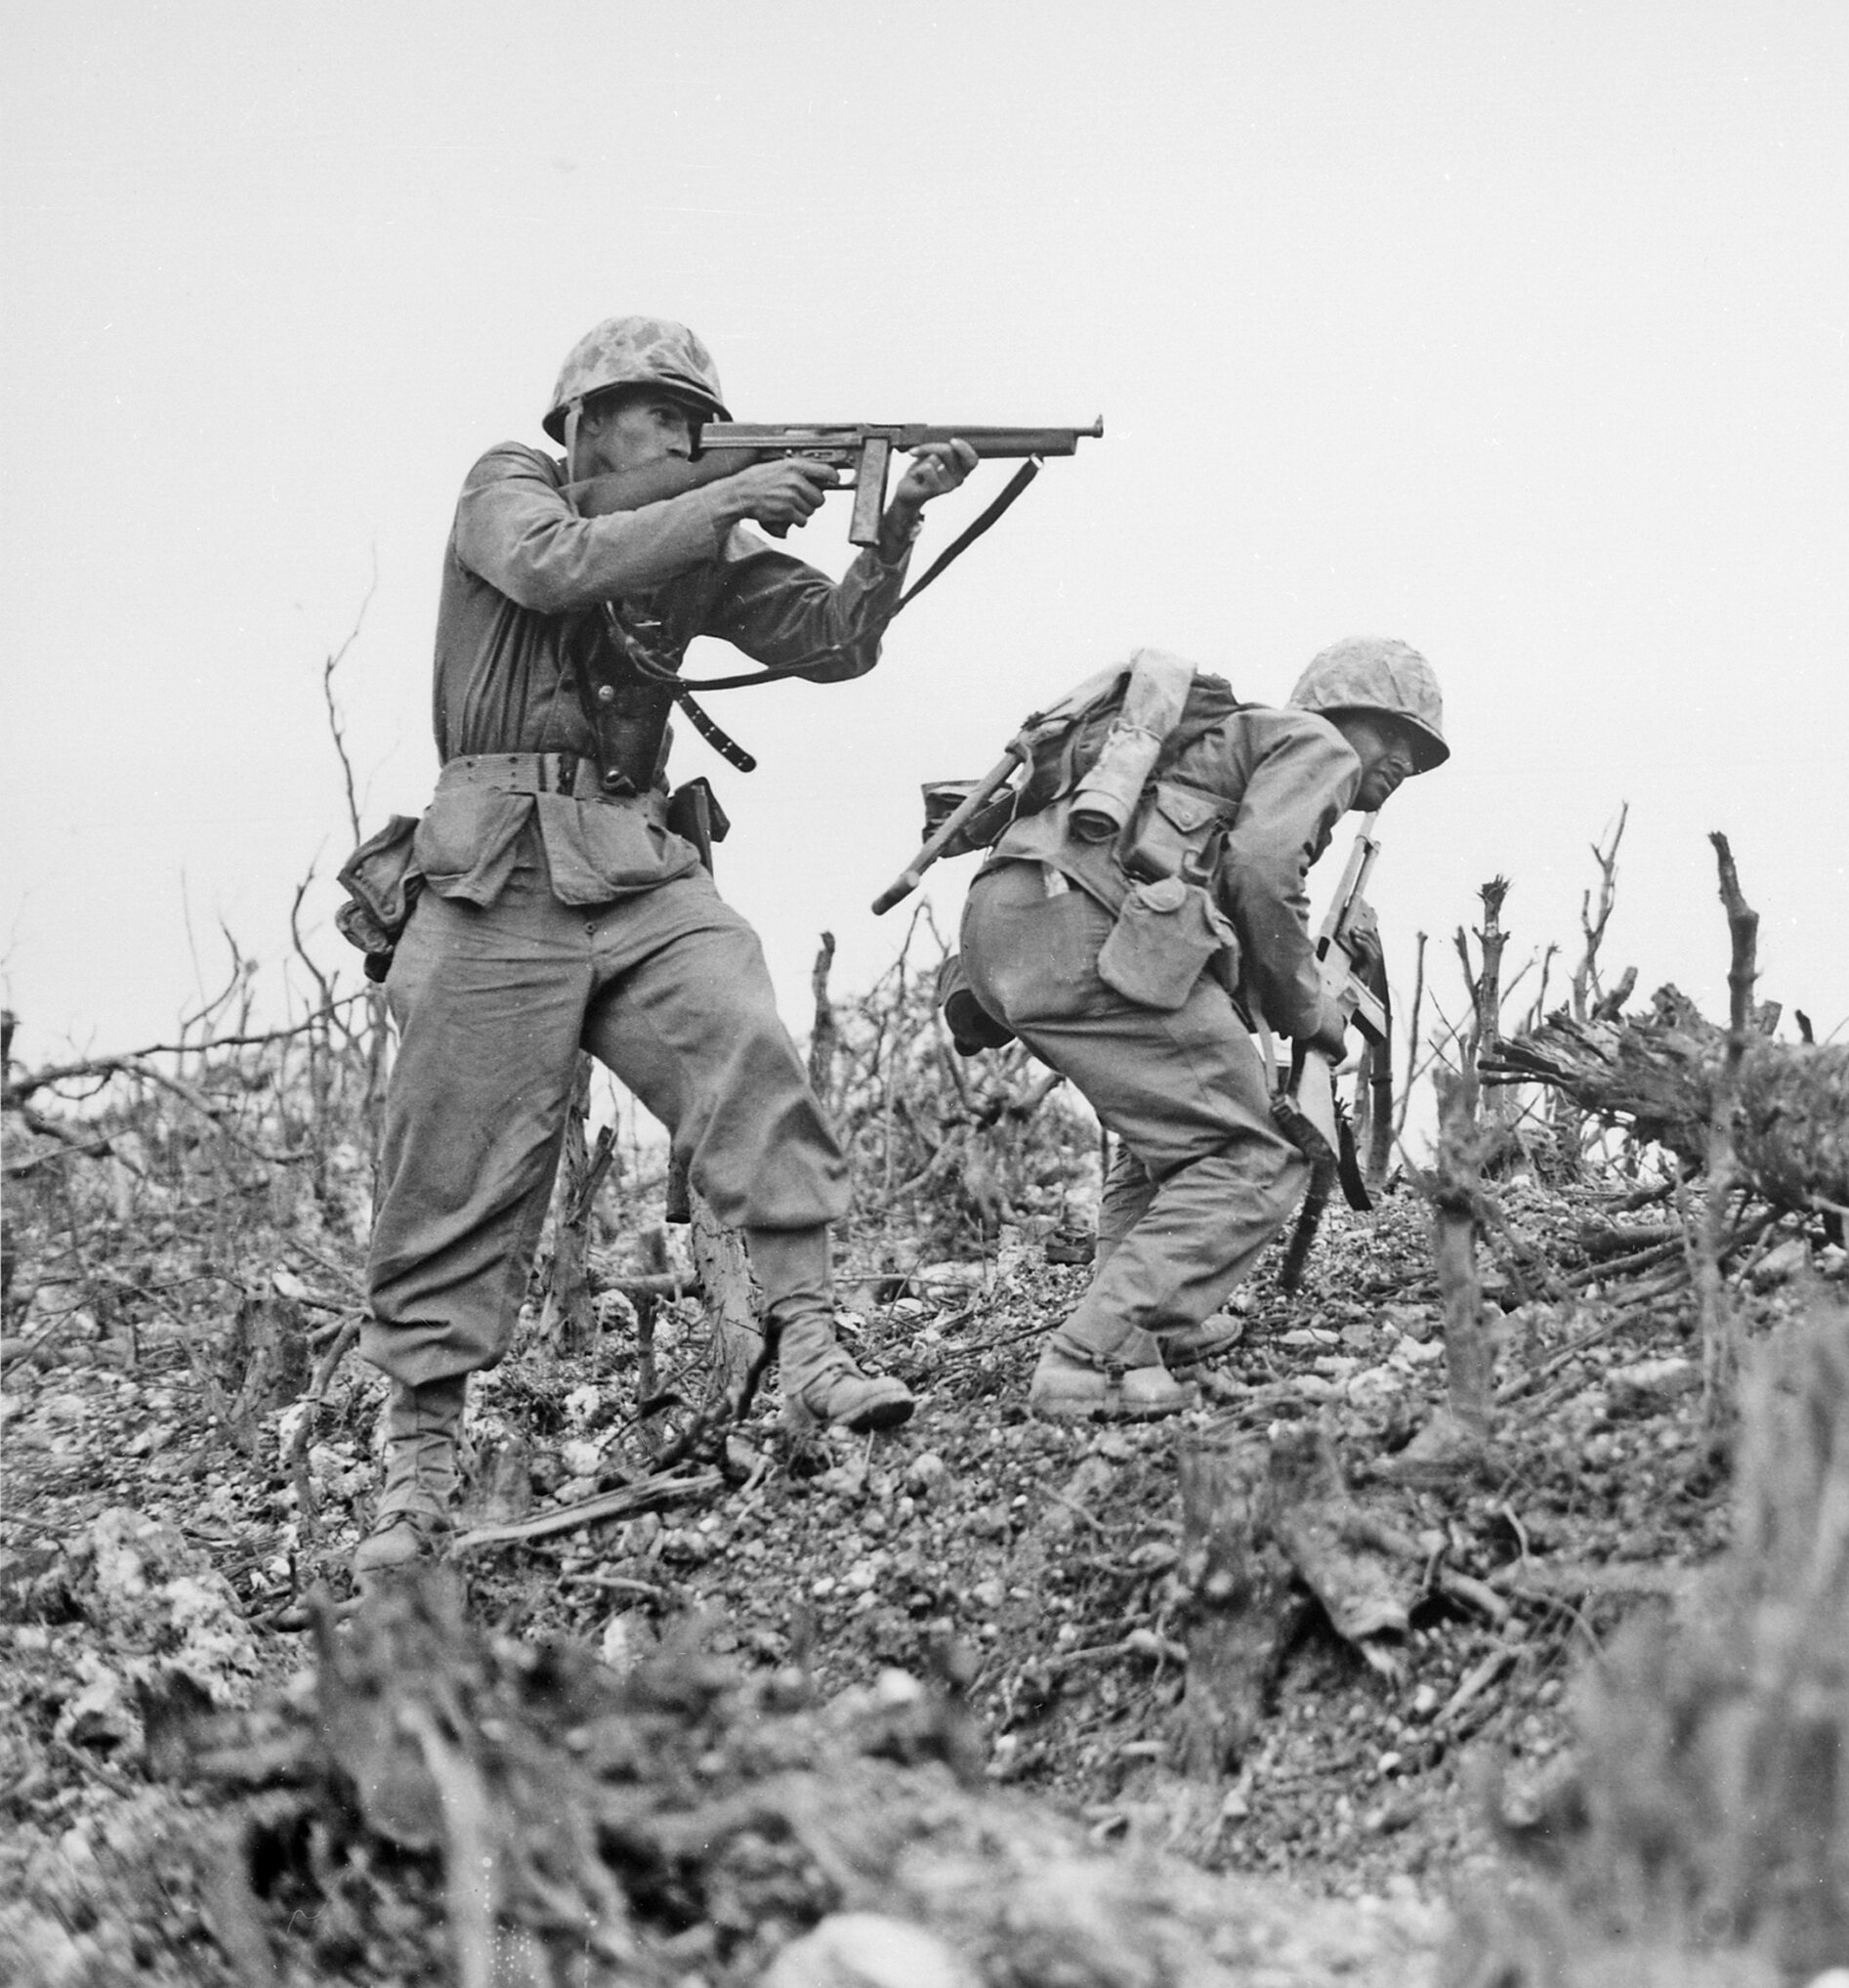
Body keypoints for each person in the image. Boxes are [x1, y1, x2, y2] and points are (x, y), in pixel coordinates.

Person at [352, 316, 977, 1581]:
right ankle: (415, 1477)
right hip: (496, 870)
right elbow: (548, 564)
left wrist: (894, 514)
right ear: (587, 423)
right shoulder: (509, 485)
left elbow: (833, 640)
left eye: (702, 417)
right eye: (663, 415)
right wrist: (729, 494)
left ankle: (807, 1341)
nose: (690, 435)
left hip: (635, 860)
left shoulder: (695, 539)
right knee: (455, 1156)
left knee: (746, 1040)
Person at [955, 637, 1449, 1417]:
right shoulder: (1314, 744)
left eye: (1419, 757)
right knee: (1254, 1149)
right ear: (1344, 714)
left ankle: (1150, 1324)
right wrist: (1310, 1010)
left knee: (1178, 1132)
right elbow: (1261, 872)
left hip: (1009, 920)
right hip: (1085, 920)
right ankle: (1099, 1353)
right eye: (1397, 737)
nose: (1401, 766)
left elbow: (1224, 901)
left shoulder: (1227, 755)